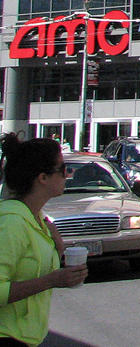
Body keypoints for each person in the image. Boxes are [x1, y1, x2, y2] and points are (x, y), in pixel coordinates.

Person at [0, 133, 89, 347]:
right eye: (62, 169)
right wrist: (52, 281)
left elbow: (30, 265)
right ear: (42, 177)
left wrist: (57, 251)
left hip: (26, 337)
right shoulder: (11, 221)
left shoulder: (36, 217)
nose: (67, 175)